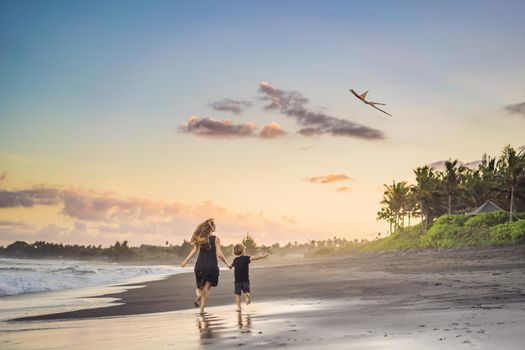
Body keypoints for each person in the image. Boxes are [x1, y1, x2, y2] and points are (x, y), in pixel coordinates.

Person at [181, 218, 230, 313]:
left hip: (200, 266)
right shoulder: (216, 239)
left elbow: (194, 250)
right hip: (211, 266)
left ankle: (198, 295)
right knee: (207, 289)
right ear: (212, 228)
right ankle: (202, 309)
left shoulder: (200, 239)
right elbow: (219, 254)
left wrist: (186, 260)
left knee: (199, 288)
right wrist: (227, 263)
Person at [228, 243, 268, 312]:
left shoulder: (235, 260)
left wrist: (227, 264)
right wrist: (263, 256)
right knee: (246, 291)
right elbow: (255, 258)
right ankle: (247, 296)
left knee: (237, 295)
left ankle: (239, 308)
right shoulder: (246, 258)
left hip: (237, 281)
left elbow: (230, 266)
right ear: (243, 251)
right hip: (245, 280)